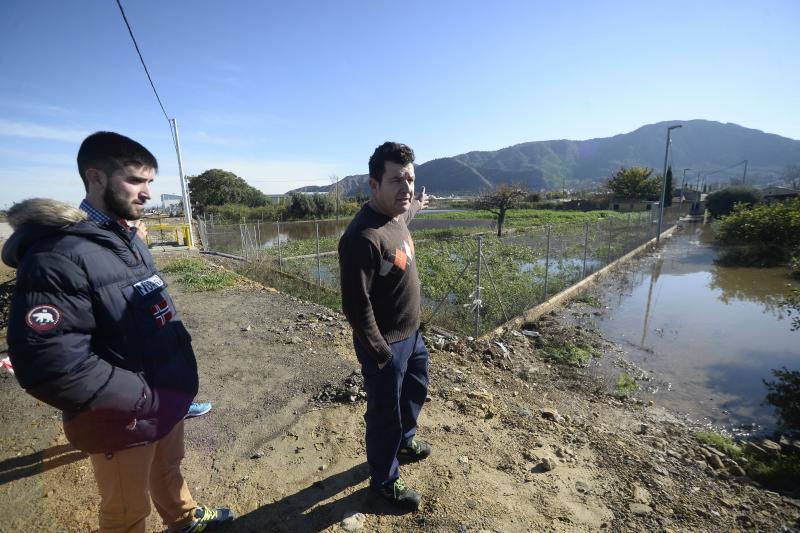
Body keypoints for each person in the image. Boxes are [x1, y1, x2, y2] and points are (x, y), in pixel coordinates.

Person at [2, 131, 233, 533]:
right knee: (125, 512)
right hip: (124, 416)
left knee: (169, 470)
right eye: (135, 181)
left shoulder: (126, 239)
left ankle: (183, 519)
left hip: (165, 397)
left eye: (150, 183)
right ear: (96, 178)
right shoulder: (56, 257)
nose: (147, 193)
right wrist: (140, 399)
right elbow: (49, 363)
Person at [338, 141, 431, 511]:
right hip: (384, 346)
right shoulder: (363, 237)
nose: (405, 187)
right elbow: (355, 306)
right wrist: (380, 353)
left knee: (414, 393)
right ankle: (383, 481)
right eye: (396, 180)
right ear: (374, 185)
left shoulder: (396, 216)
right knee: (383, 415)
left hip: (413, 335)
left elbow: (409, 213)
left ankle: (406, 441)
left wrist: (420, 203)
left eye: (409, 179)